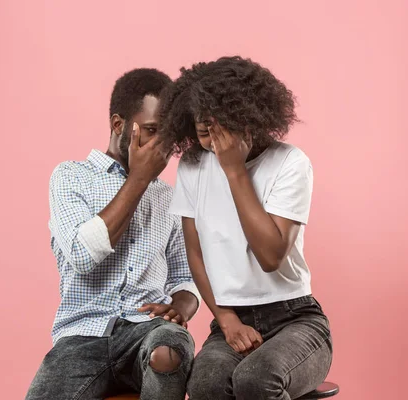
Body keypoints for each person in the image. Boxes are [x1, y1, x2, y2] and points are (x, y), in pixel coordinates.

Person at [160, 56, 333, 400]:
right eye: (203, 130)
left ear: (249, 118)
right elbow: (195, 254)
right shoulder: (193, 166)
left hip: (295, 319)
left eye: (221, 128)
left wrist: (234, 170)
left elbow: (270, 256)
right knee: (205, 385)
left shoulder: (290, 163)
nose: (213, 141)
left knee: (255, 380)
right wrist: (226, 320)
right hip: (230, 317)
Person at [26, 68, 200, 400]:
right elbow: (80, 255)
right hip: (81, 336)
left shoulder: (168, 195)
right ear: (118, 125)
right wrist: (138, 180)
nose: (160, 148)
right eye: (150, 131)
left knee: (171, 348)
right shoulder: (71, 177)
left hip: (147, 331)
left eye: (167, 137)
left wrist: (181, 306)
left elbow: (186, 274)